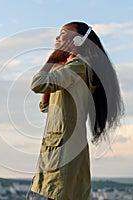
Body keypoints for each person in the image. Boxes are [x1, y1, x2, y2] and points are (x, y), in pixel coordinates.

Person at [30, 21, 124, 200]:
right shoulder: (72, 68)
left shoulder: (80, 66)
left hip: (64, 146)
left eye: (63, 35)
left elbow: (37, 84)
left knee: (58, 193)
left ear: (79, 41)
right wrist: (57, 67)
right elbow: (46, 107)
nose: (57, 38)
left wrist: (50, 60)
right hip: (65, 144)